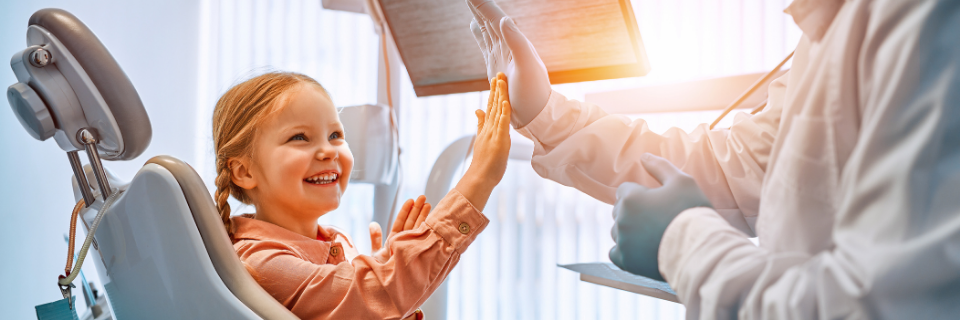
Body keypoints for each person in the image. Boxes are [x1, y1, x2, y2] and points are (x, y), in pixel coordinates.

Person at [466, 0, 960, 318]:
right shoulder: (831, 29)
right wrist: (547, 114)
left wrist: (685, 242)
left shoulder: (925, 20)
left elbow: (880, 305)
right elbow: (728, 165)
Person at [210, 71, 514, 319]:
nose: (328, 150)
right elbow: (370, 295)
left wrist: (391, 265)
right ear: (244, 172)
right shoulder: (260, 262)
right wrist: (480, 177)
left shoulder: (337, 241)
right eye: (299, 137)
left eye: (335, 135)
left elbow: (365, 302)